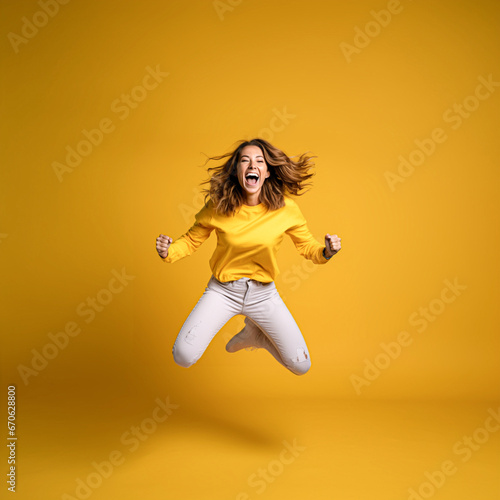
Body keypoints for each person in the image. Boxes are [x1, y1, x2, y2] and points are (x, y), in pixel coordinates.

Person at [155, 138, 341, 375]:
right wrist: (168, 251)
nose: (252, 165)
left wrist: (326, 251)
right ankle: (255, 334)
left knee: (301, 365)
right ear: (237, 171)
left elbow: (308, 247)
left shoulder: (286, 209)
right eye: (245, 161)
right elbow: (191, 240)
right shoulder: (219, 205)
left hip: (263, 294)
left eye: (259, 161)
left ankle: (257, 337)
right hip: (222, 292)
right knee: (183, 356)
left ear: (267, 172)